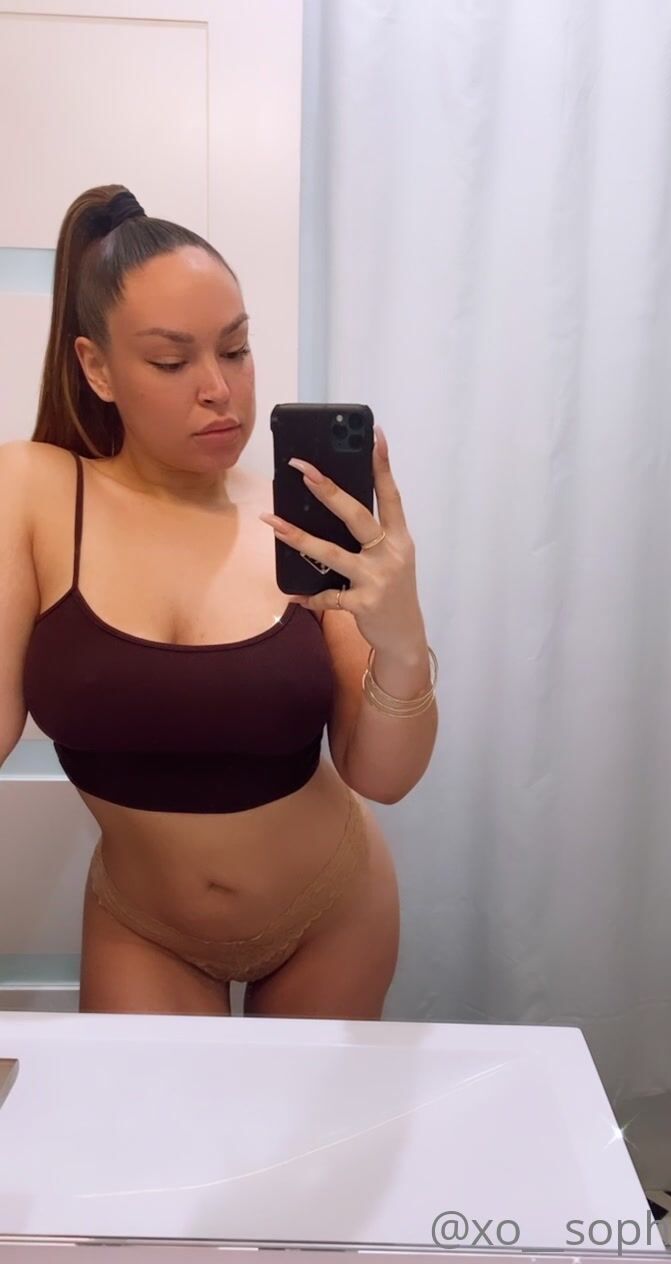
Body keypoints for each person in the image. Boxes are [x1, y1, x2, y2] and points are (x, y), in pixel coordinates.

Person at [0, 184, 438, 1019]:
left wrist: (404, 642)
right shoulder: (34, 491)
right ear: (96, 367)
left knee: (309, 1116)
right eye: (172, 362)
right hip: (145, 929)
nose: (219, 389)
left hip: (332, 913)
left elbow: (383, 777)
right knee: (149, 1112)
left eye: (235, 349)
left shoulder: (303, 525)